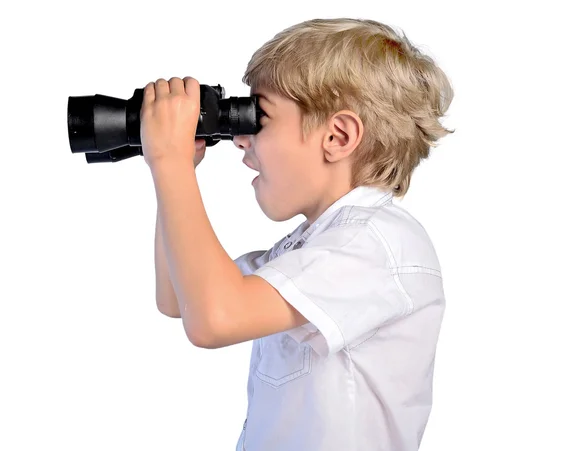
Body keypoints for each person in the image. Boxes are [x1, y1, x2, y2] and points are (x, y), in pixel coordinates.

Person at [155, 17, 455, 451]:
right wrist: (175, 168)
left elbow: (213, 319)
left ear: (338, 135)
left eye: (261, 116)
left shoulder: (377, 243)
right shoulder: (310, 246)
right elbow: (179, 299)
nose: (240, 139)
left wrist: (171, 163)